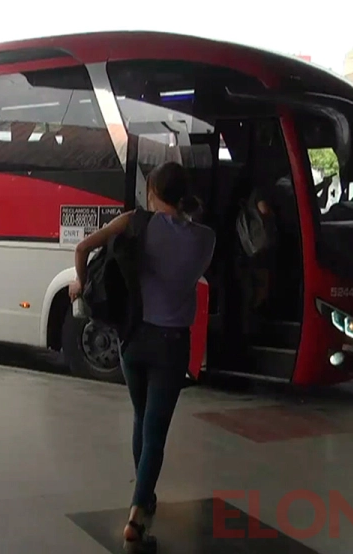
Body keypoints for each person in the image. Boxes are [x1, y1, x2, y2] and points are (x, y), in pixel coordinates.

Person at [68, 162, 216, 553]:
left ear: (152, 191)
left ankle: (144, 495)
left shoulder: (136, 222)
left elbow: (83, 248)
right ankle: (137, 515)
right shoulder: (206, 238)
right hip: (172, 344)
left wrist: (81, 284)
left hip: (133, 339)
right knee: (156, 431)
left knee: (141, 418)